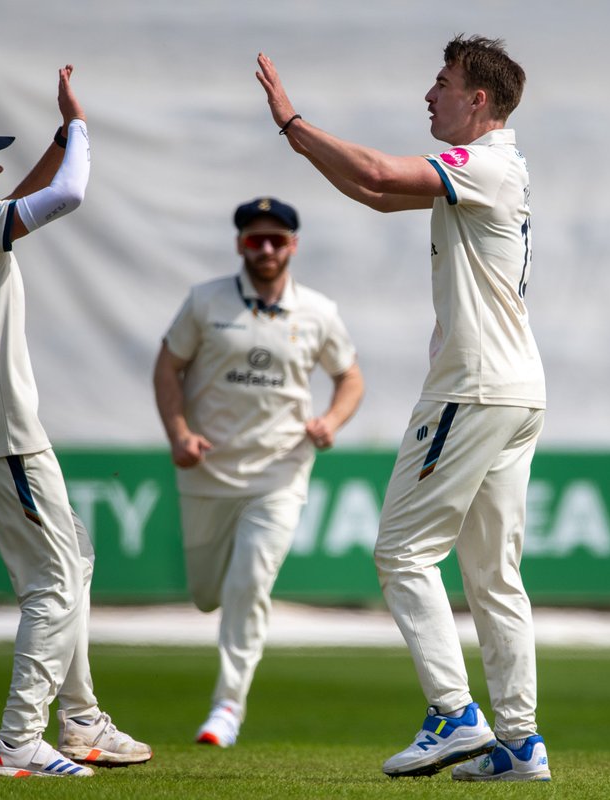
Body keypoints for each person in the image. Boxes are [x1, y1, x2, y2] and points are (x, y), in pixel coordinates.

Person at [256, 36, 551, 781]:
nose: (430, 95)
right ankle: (519, 744)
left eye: (443, 83)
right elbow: (377, 191)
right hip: (515, 390)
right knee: (494, 576)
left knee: (401, 553)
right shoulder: (495, 170)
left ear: (478, 100)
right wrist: (303, 148)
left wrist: (292, 122)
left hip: (473, 387)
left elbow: (383, 170)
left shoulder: (482, 163)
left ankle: (454, 714)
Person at [0, 65, 151, 778]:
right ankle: (19, 742)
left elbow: (17, 198)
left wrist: (56, 137)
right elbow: (66, 193)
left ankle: (80, 721)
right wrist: (79, 130)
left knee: (72, 556)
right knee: (53, 582)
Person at [153, 197, 364, 748]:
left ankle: (227, 706)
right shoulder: (205, 301)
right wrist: (178, 434)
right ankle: (224, 670)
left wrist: (332, 421)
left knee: (249, 583)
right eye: (254, 239)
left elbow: (350, 378)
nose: (265, 249)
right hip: (208, 468)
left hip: (280, 471)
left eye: (276, 239)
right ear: (240, 244)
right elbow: (168, 366)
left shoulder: (318, 311)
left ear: (293, 245)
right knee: (206, 594)